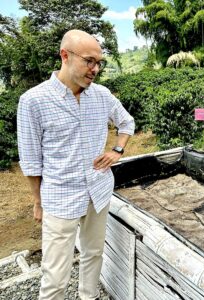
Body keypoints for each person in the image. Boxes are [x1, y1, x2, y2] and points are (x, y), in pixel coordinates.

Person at [17, 29, 135, 300]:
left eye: (99, 63)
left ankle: (88, 296)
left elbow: (127, 122)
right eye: (89, 61)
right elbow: (32, 161)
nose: (95, 69)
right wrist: (38, 201)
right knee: (55, 274)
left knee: (93, 254)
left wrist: (117, 150)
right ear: (65, 56)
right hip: (59, 197)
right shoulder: (33, 101)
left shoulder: (102, 95)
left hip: (98, 190)